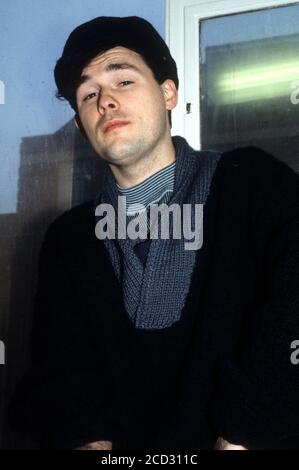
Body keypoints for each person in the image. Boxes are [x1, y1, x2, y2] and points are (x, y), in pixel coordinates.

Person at [8, 16, 299, 450]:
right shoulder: (68, 241)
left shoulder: (251, 184)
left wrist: (245, 433)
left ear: (168, 93)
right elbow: (63, 373)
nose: (105, 100)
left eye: (123, 80)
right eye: (88, 94)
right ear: (80, 126)